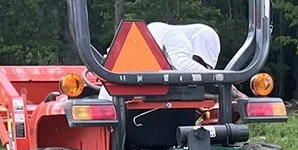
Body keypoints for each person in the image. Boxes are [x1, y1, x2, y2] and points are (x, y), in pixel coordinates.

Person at [99, 22, 246, 99]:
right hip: (119, 92)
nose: (197, 62)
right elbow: (184, 66)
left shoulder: (162, 34)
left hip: (120, 91)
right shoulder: (178, 38)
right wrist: (227, 85)